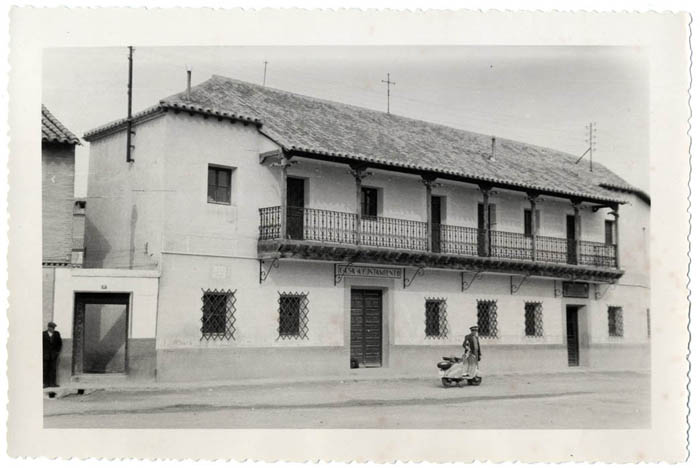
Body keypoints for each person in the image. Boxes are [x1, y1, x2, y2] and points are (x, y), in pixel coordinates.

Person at [43, 321, 62, 388]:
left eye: (53, 328)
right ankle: (45, 383)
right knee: (45, 369)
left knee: (53, 369)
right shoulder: (43, 334)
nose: (52, 329)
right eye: (51, 327)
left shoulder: (57, 334)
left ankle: (53, 383)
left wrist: (57, 352)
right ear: (48, 327)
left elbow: (59, 344)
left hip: (53, 355)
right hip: (45, 355)